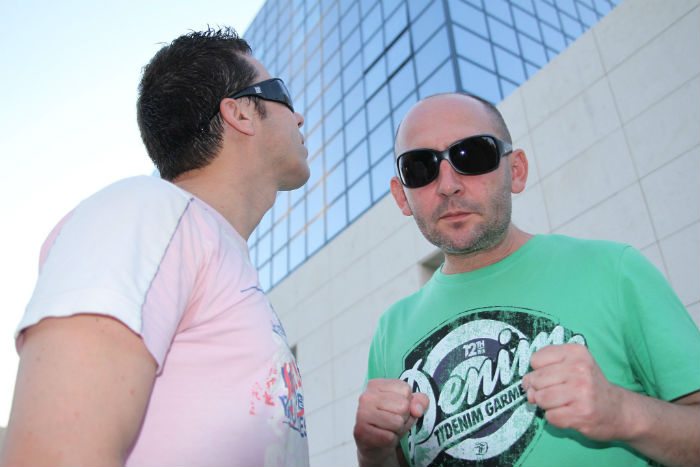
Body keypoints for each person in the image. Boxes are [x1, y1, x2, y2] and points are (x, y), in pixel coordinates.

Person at [0, 27, 310, 467]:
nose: (299, 118)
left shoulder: (216, 257)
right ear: (241, 113)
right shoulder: (145, 211)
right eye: (283, 95)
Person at [353, 92, 700, 467]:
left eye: (473, 155)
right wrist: (373, 451)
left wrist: (623, 413)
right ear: (401, 197)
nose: (448, 184)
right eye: (420, 167)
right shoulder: (390, 330)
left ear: (516, 170)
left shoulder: (614, 270)